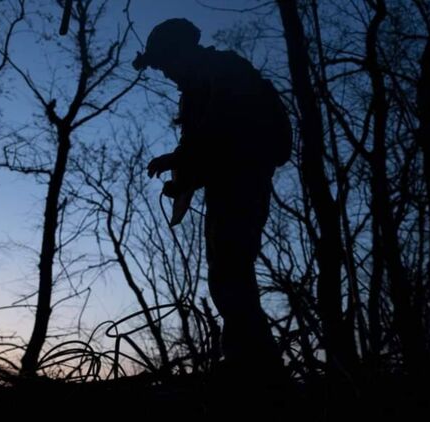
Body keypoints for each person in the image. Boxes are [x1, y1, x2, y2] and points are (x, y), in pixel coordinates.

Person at [133, 18, 292, 384]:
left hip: (243, 181)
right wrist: (184, 179)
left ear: (180, 52)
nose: (166, 73)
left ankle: (252, 366)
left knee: (230, 269)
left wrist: (180, 161)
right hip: (228, 183)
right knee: (227, 270)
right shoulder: (198, 87)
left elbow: (224, 132)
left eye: (166, 64)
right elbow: (209, 148)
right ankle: (252, 362)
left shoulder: (224, 71)